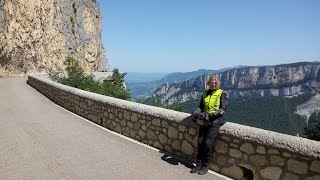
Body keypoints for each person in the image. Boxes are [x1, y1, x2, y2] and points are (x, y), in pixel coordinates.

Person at [190, 76, 228, 175]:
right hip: (204, 120)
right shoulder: (205, 93)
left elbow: (223, 109)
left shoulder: (222, 93)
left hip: (215, 121)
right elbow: (201, 106)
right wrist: (196, 112)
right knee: (200, 141)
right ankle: (198, 164)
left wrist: (212, 115)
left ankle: (205, 165)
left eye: (215, 82)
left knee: (207, 143)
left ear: (217, 83)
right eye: (211, 82)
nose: (213, 84)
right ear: (208, 83)